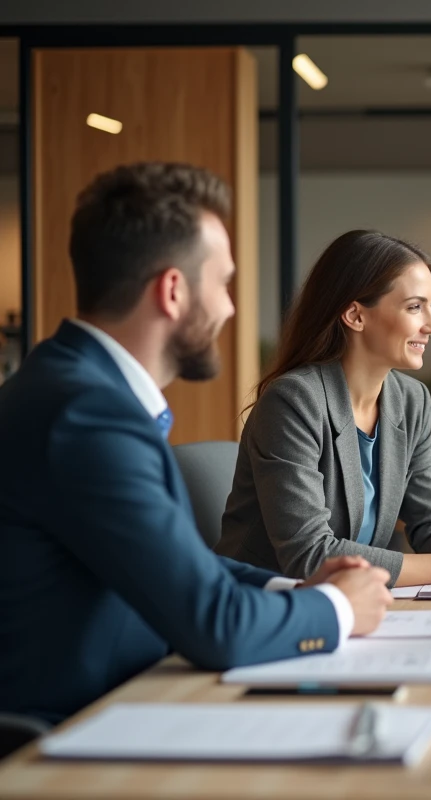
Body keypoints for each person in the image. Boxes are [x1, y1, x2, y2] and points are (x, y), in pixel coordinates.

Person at [0, 162, 392, 724]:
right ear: (174, 290)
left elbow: (185, 569)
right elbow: (216, 624)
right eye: (224, 282)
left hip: (133, 703)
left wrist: (299, 586)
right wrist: (336, 609)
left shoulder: (78, 389)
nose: (232, 307)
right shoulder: (87, 416)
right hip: (73, 737)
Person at [216, 231, 431, 587]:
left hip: (350, 601)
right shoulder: (293, 401)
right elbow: (309, 556)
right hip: (266, 602)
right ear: (355, 315)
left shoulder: (412, 401)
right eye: (415, 307)